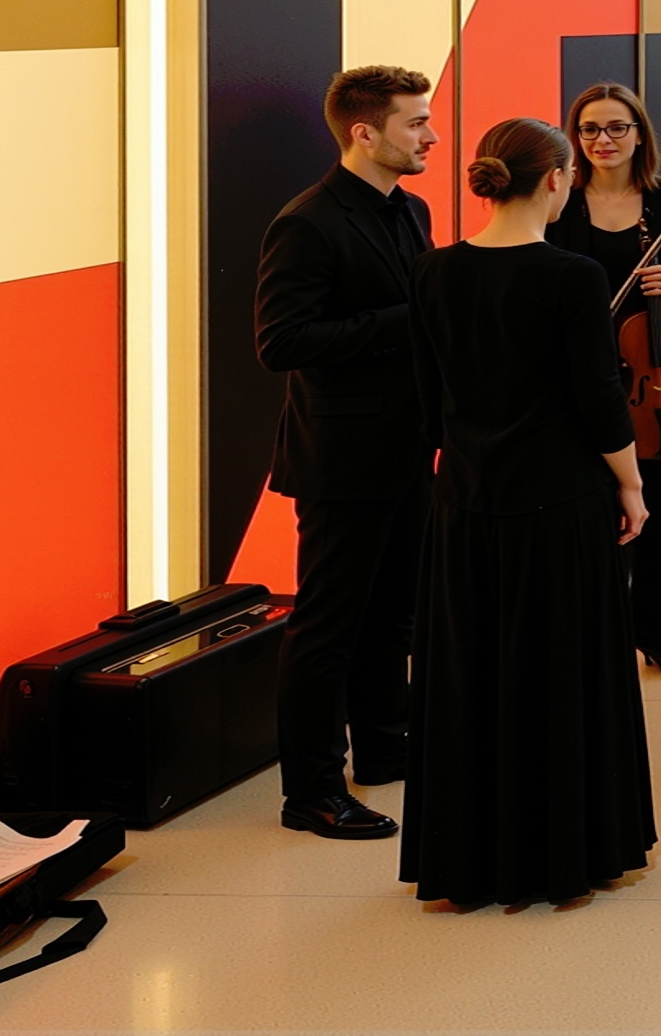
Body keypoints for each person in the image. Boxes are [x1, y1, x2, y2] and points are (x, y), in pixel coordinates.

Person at [399, 117, 656, 905]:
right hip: (558, 502)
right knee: (558, 671)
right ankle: (563, 851)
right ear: (554, 180)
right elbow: (598, 400)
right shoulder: (572, 276)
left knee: (470, 674)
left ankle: (470, 855)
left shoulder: (433, 272)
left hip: (466, 498)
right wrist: (634, 486)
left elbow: (425, 399)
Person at [256, 65, 440, 840]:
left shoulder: (413, 209)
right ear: (364, 133)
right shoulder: (308, 221)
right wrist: (412, 317)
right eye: (414, 123)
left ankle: (385, 749)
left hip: (408, 445)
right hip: (342, 455)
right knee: (327, 626)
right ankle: (311, 791)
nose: (430, 135)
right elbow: (282, 342)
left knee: (393, 614)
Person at [548, 83, 661, 679]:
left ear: (639, 134)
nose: (602, 141)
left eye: (616, 128)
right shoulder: (560, 201)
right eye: (589, 129)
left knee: (660, 518)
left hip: (656, 385)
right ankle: (599, 635)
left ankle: (658, 633)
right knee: (595, 519)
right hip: (581, 380)